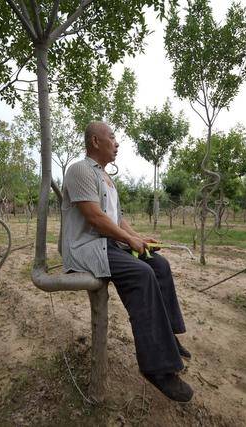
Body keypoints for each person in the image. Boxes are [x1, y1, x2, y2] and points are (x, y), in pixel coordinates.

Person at [61, 121, 193, 402]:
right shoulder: (80, 170)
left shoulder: (107, 179)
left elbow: (117, 219)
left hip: (108, 244)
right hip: (86, 248)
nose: (117, 143)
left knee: (159, 265)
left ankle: (166, 337)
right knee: (141, 274)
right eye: (112, 137)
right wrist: (129, 241)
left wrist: (139, 238)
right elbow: (95, 218)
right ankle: (157, 368)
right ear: (95, 141)